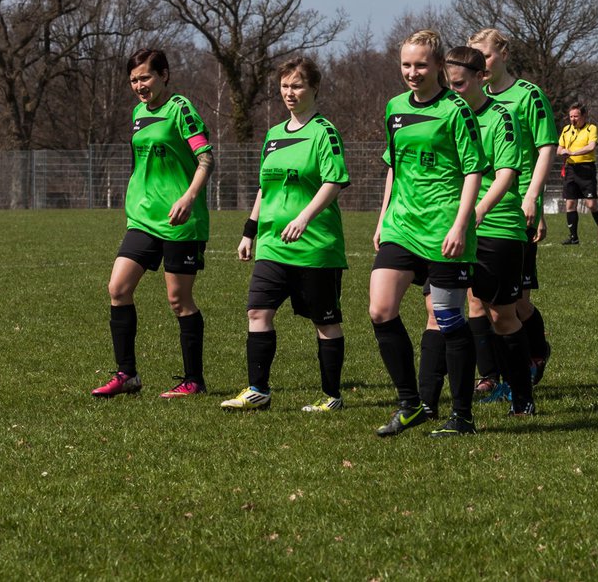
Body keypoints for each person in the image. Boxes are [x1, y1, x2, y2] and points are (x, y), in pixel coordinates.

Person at [369, 30, 487, 437]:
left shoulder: (457, 110)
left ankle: (462, 416)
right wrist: (383, 218)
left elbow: (473, 170)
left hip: (443, 229)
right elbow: (394, 167)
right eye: (406, 64)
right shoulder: (395, 108)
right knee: (380, 310)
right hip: (402, 225)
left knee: (449, 317)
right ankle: (411, 404)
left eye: (421, 65)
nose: (412, 72)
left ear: (439, 66)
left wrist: (461, 222)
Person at [221, 57, 350, 413]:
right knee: (257, 312)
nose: (289, 93)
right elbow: (266, 188)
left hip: (315, 247)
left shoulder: (325, 132)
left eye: (297, 86)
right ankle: (258, 389)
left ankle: (331, 396)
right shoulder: (274, 135)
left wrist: (305, 217)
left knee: (325, 322)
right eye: (284, 86)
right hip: (273, 245)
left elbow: (335, 180)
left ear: (313, 89)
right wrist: (249, 231)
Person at [92, 48, 212, 399]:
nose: (139, 86)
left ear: (164, 75)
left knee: (179, 301)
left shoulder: (181, 109)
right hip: (143, 219)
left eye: (145, 77)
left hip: (180, 220)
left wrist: (188, 197)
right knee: (118, 289)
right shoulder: (139, 113)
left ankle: (194, 381)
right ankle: (126, 374)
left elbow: (206, 159)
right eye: (133, 80)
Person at [441, 45, 537, 416]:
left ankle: (522, 395)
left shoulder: (501, 117)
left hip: (496, 226)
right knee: (446, 310)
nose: (454, 91)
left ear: (482, 78)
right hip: (448, 227)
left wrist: (476, 212)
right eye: (449, 84)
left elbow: (507, 174)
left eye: (460, 84)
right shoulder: (444, 114)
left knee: (502, 315)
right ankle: (439, 400)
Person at [468, 29, 556, 388]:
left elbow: (546, 146)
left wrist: (532, 197)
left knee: (516, 302)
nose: (480, 65)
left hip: (513, 209)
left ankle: (536, 350)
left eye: (485, 56)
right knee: (476, 301)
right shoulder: (472, 99)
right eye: (474, 59)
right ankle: (489, 375)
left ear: (502, 53)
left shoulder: (527, 95)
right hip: (475, 210)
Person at [557, 103, 598, 245]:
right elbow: (559, 149)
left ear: (583, 116)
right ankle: (573, 237)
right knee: (570, 203)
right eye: (571, 116)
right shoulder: (566, 130)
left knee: (591, 204)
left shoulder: (591, 128)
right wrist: (562, 152)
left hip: (586, 169)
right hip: (570, 169)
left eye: (576, 116)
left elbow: (591, 146)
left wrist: (574, 152)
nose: (573, 119)